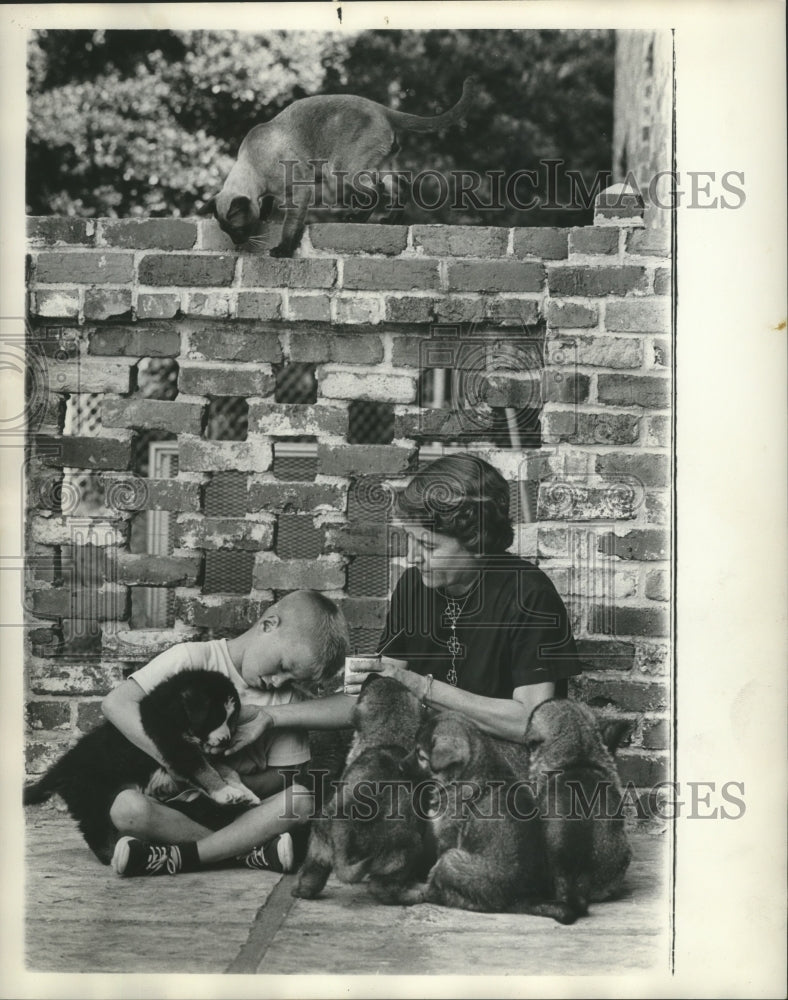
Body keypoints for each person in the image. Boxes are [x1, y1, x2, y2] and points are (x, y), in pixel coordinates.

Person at [251, 453, 582, 744]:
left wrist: (420, 687)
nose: (412, 556)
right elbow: (374, 697)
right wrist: (272, 717)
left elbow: (530, 722)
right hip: (428, 758)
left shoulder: (530, 595)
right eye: (411, 539)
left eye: (428, 546)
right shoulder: (415, 586)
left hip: (501, 772)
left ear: (477, 542)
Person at [101, 590, 350, 877]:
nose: (279, 681)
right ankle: (249, 852)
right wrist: (179, 764)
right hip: (176, 805)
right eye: (283, 667)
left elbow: (286, 777)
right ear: (268, 625)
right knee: (126, 809)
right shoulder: (193, 658)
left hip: (237, 814)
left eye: (293, 679)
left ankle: (181, 855)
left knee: (300, 802)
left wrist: (234, 783)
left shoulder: (287, 699)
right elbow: (116, 703)